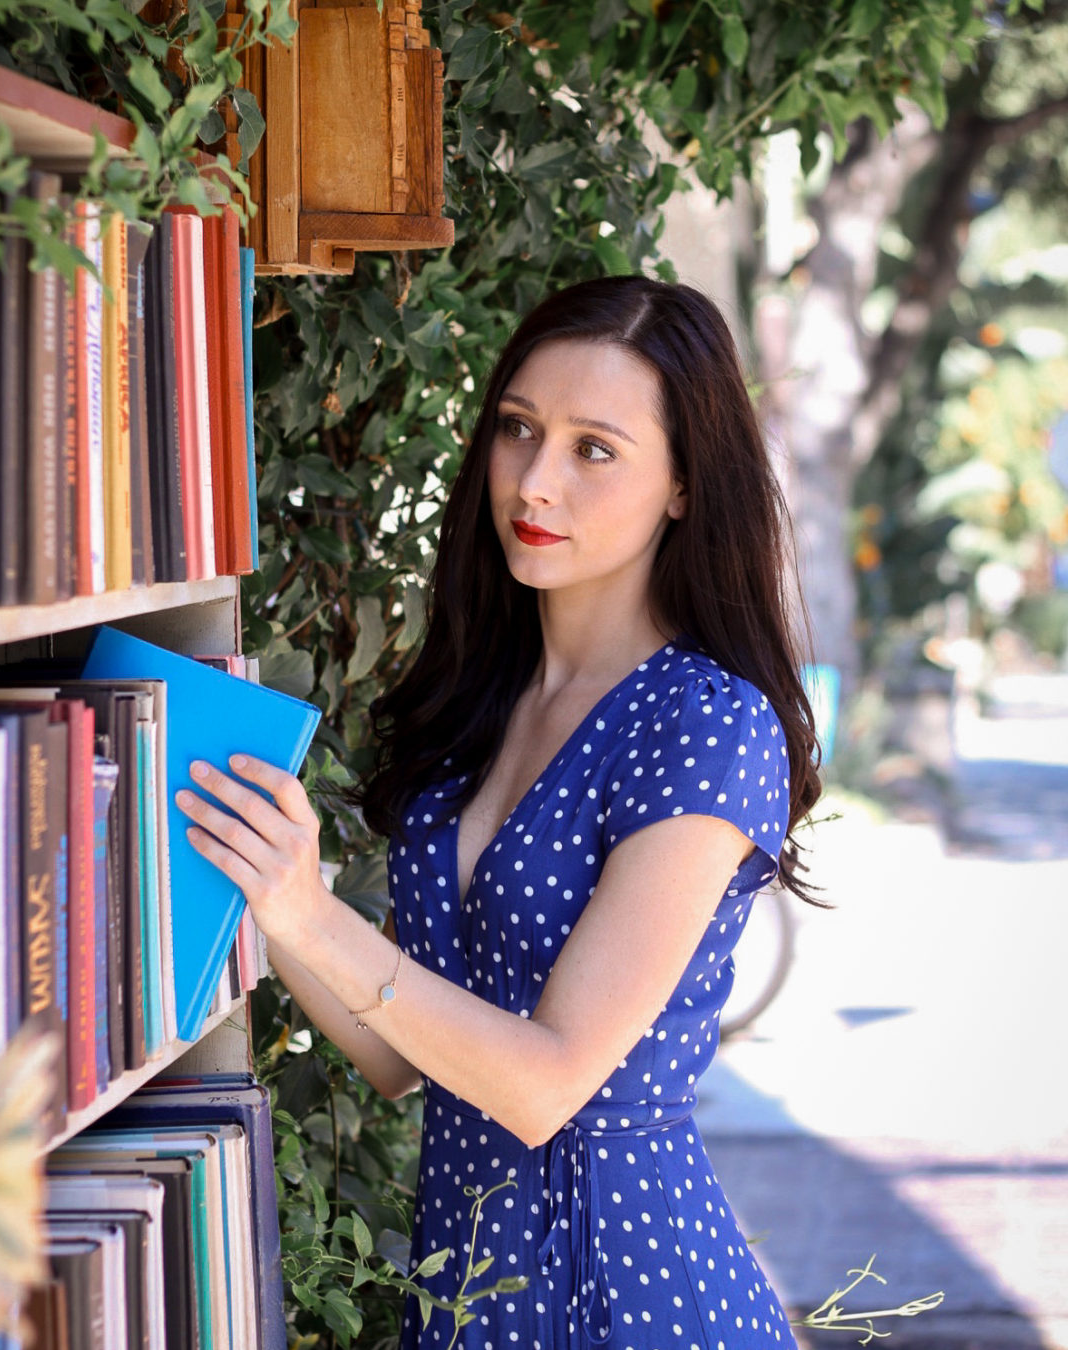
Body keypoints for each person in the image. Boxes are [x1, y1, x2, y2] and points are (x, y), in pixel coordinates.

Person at [175, 276, 821, 1349]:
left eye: (594, 448)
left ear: (685, 486)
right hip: (470, 1288)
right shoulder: (486, 702)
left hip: (627, 1287)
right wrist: (258, 885)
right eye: (518, 429)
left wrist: (314, 915)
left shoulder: (708, 726)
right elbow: (397, 1056)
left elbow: (548, 1082)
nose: (534, 479)